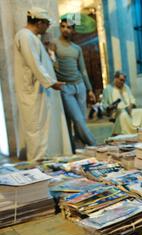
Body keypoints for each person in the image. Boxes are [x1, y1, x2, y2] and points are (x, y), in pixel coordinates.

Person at [13, 7, 67, 161]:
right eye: (46, 24)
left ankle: (42, 163)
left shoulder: (31, 37)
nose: (48, 27)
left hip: (37, 91)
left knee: (41, 127)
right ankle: (36, 164)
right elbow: (34, 63)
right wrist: (51, 83)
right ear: (39, 22)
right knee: (35, 128)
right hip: (32, 92)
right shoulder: (25, 36)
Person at [50, 18, 96, 152]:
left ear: (73, 30)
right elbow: (51, 63)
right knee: (77, 119)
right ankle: (95, 145)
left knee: (80, 122)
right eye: (63, 26)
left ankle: (78, 151)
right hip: (65, 87)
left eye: (69, 27)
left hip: (80, 86)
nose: (65, 29)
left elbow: (83, 70)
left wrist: (90, 90)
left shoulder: (77, 48)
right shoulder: (55, 44)